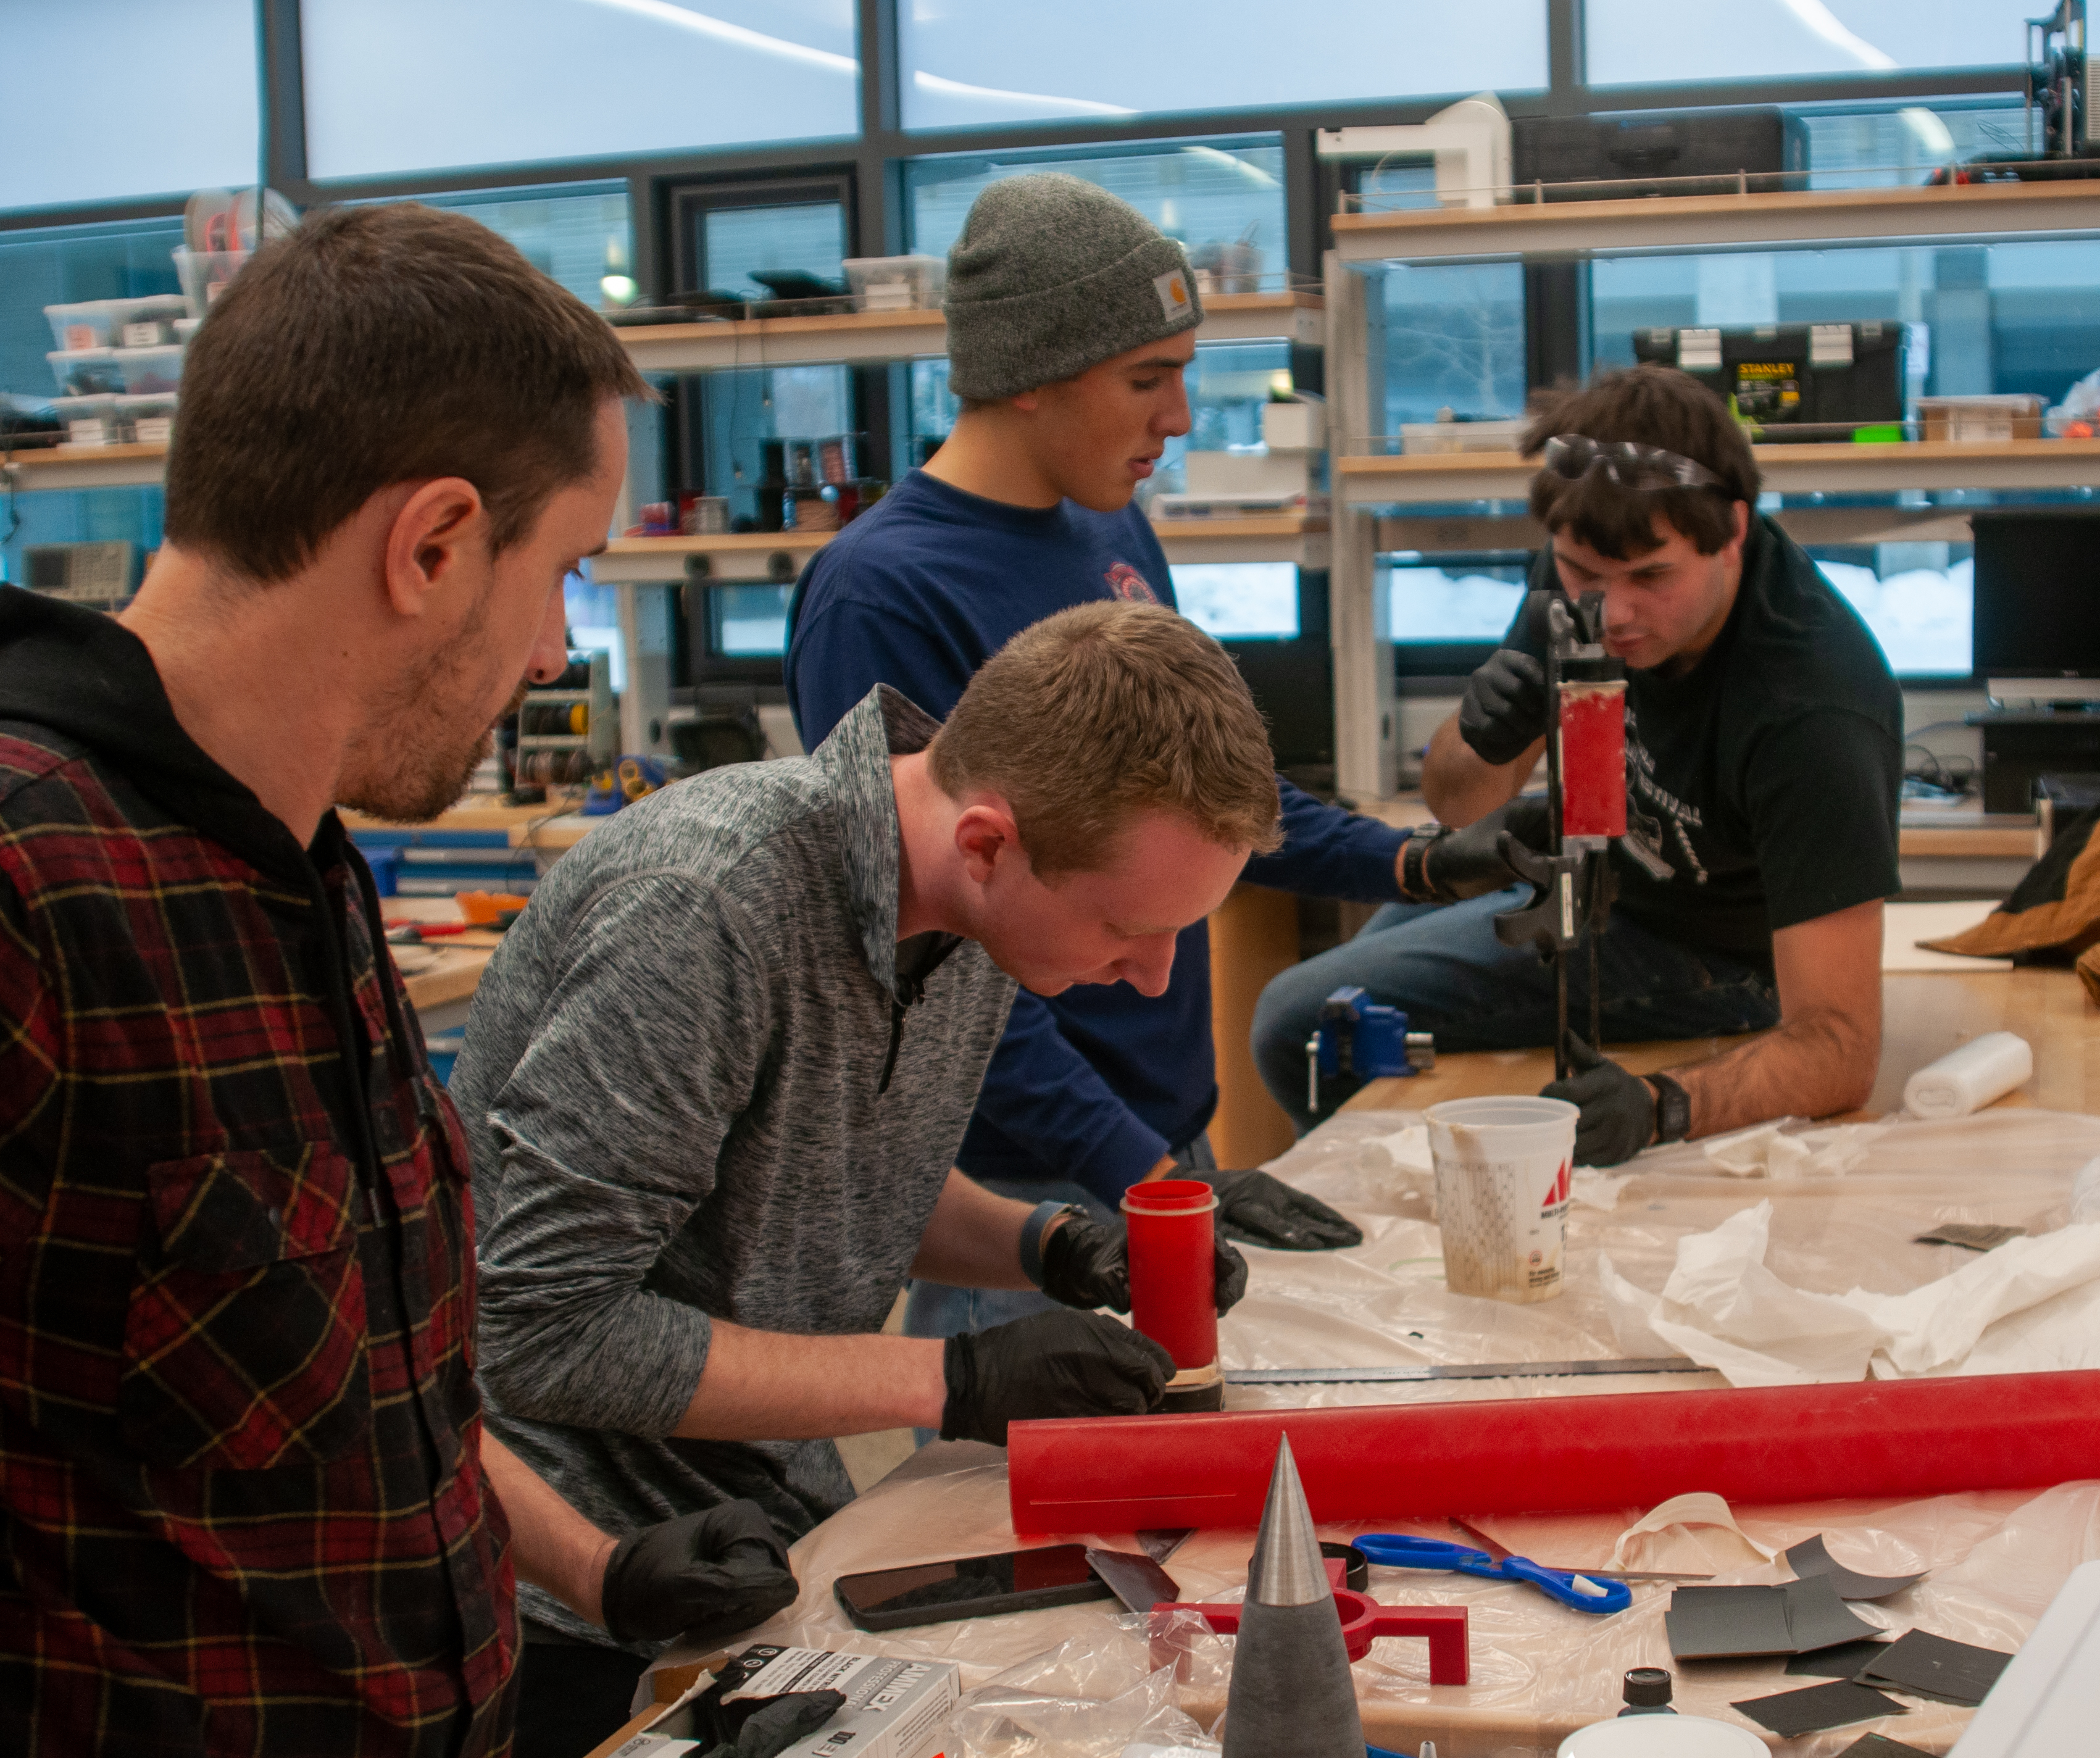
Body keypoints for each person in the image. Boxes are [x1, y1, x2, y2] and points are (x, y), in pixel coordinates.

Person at [0, 204, 790, 1758]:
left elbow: (347, 1384)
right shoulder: (31, 887)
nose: (557, 649)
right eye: (559, 568)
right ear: (430, 545)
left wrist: (597, 1566)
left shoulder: (298, 855)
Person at [456, 601, 1286, 1747]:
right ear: (988, 842)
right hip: (584, 1591)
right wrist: (950, 1377)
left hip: (772, 1532)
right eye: (1127, 927)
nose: (1152, 978)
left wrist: (1043, 1245)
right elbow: (541, 1332)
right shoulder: (706, 908)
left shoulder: (967, 909)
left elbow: (817, 1179)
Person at [784, 172, 1516, 1336]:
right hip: (1026, 1188)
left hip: (1158, 1137)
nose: (1178, 417)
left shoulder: (1111, 526)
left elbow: (1207, 792)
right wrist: (1137, 1171)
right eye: (1146, 378)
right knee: (1040, 1508)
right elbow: (935, 957)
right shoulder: (882, 593)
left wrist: (1422, 864)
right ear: (1030, 376)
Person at [1251, 364, 1904, 1167]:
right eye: (1584, 574)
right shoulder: (1590, 556)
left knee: (1304, 1016)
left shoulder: (1813, 712)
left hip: (1720, 956)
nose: (1614, 613)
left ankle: (1350, 1216)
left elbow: (1840, 1047)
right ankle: (1361, 1207)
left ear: (1732, 531)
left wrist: (1665, 1104)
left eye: (1653, 578)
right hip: (1582, 882)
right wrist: (1479, 736)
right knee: (1339, 1002)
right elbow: (1460, 804)